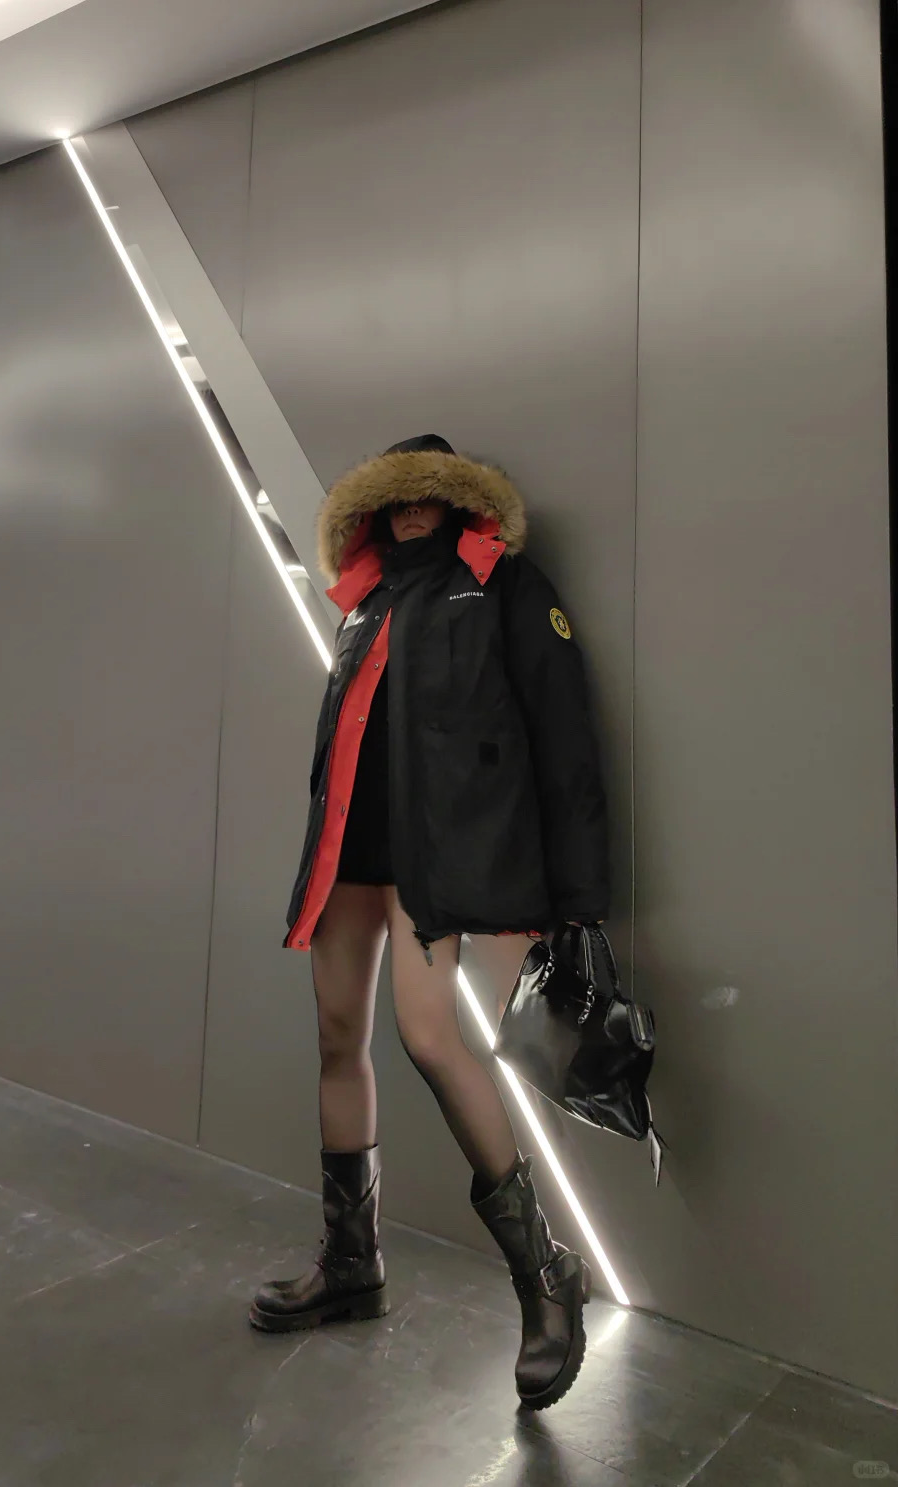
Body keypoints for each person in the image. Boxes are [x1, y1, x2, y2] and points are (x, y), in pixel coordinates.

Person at [248, 434, 610, 1411]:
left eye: (427, 494)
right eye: (395, 497)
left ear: (455, 500)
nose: (411, 510)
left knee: (427, 1035)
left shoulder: (500, 585)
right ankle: (351, 1263)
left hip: (433, 859)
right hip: (347, 857)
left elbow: (565, 736)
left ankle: (546, 1273)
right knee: (337, 1038)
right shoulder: (365, 602)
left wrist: (579, 897)